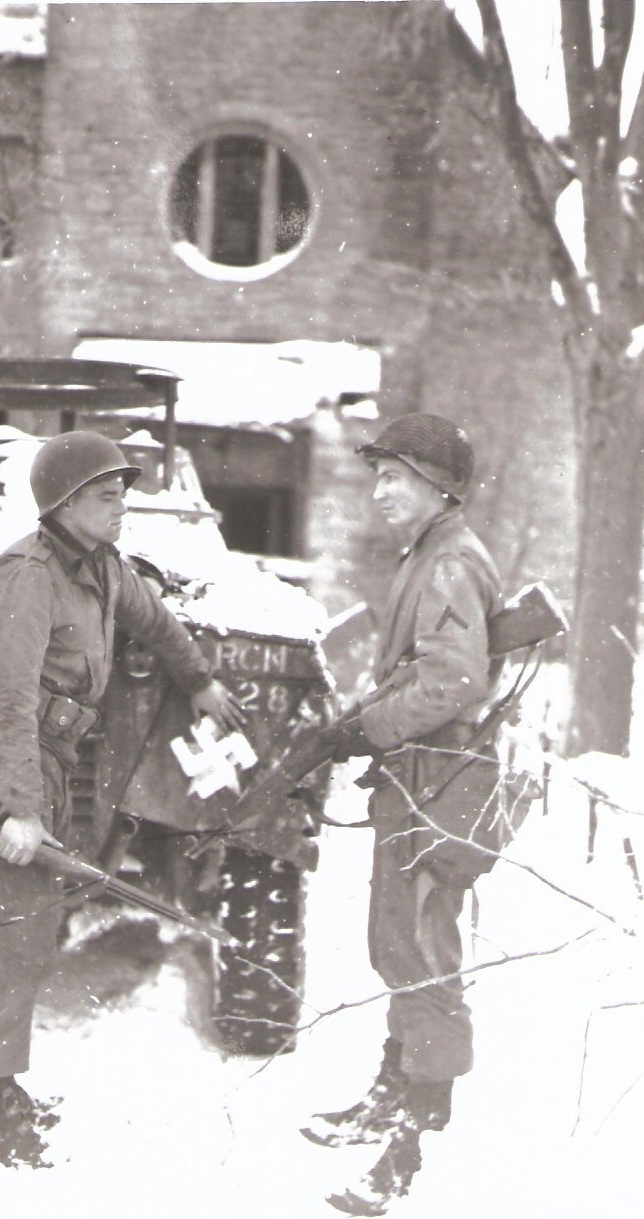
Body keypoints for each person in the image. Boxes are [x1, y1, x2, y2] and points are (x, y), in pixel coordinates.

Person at [0, 430, 244, 1168]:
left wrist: (200, 679)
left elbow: (157, 622)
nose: (121, 510)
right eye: (108, 497)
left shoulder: (102, 569)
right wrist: (19, 806)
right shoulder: (25, 576)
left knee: (27, 934)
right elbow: (7, 701)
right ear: (66, 502)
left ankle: (1, 1089)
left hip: (48, 768)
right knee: (3, 936)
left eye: (122, 496)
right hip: (5, 771)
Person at [300, 414, 503, 1215]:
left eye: (396, 477)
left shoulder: (450, 562)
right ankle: (394, 1092)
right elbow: (417, 672)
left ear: (439, 489)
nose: (379, 491)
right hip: (419, 780)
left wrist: (366, 728)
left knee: (423, 950)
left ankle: (415, 1144)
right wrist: (360, 722)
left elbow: (453, 683)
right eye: (378, 474)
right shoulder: (429, 554)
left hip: (438, 784)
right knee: (399, 940)